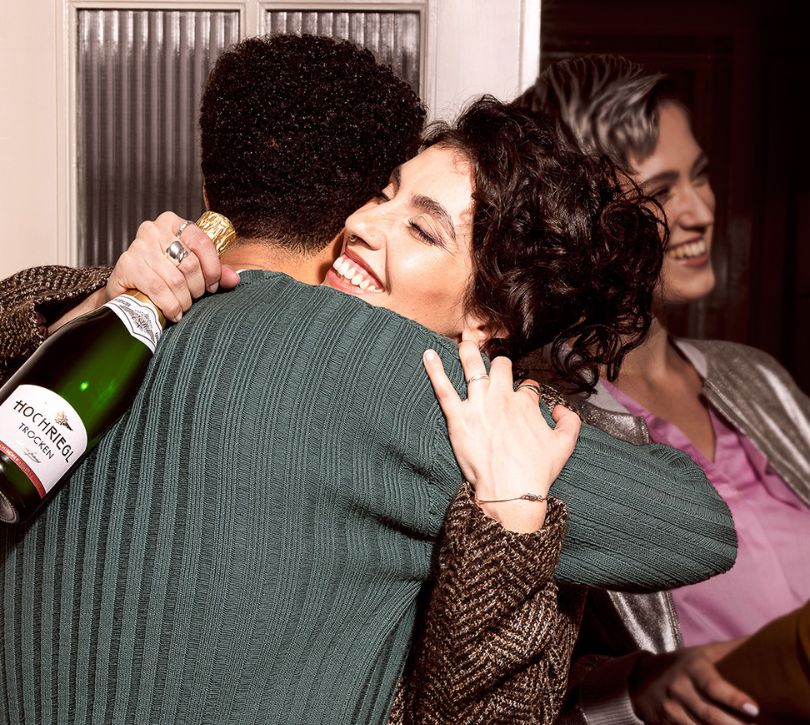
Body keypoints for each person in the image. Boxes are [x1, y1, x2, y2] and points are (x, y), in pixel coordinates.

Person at [0, 38, 736, 724]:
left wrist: (90, 301)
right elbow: (696, 524)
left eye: (421, 228)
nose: (367, 226)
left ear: (489, 315)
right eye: (382, 195)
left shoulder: (119, 319)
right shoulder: (405, 385)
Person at [516, 54, 810, 725]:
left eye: (699, 176)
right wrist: (633, 691)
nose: (702, 210)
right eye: (662, 191)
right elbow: (502, 682)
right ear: (576, 218)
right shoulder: (539, 418)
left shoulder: (755, 376)